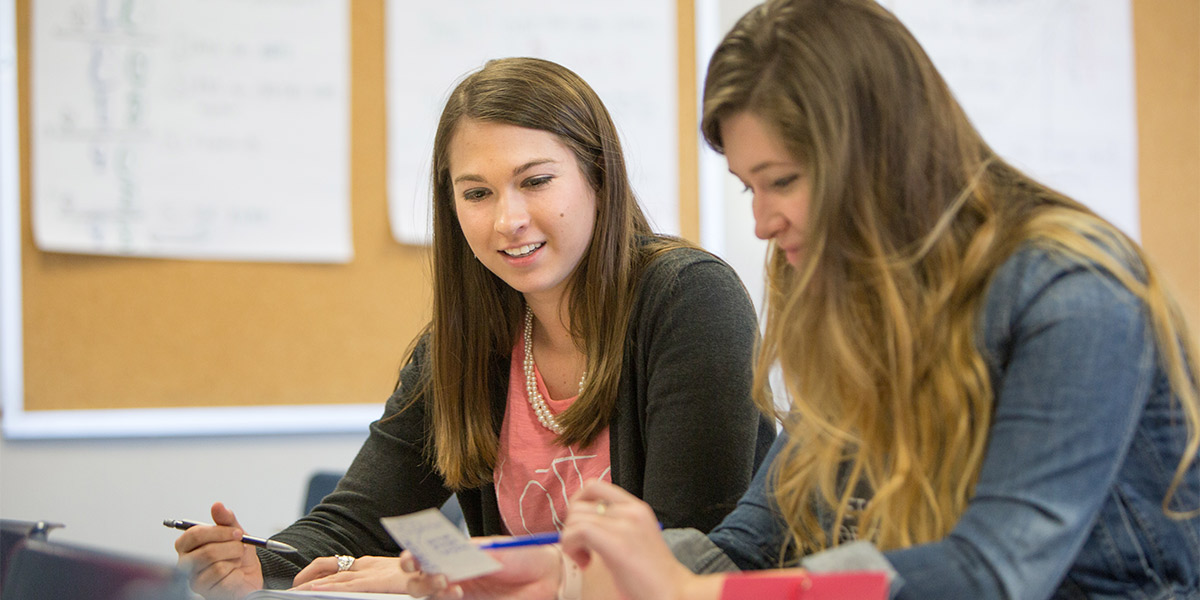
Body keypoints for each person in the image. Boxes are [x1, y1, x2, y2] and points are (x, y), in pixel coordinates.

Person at [402, 1, 1200, 598]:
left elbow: (992, 572)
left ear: (881, 152)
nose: (760, 219)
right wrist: (557, 572)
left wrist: (692, 593)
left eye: (782, 181)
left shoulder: (1074, 291)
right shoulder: (858, 300)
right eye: (749, 186)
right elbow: (754, 543)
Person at [172, 57, 775, 599]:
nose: (509, 219)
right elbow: (357, 522)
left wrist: (433, 574)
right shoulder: (462, 348)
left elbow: (689, 553)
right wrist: (259, 564)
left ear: (598, 176)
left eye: (536, 181)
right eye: (477, 193)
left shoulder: (689, 299)